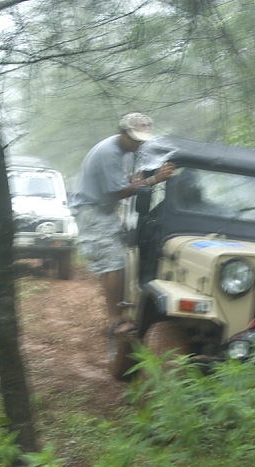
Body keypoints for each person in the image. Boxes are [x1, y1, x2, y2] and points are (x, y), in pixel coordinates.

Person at [70, 112, 175, 341]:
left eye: (142, 139)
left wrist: (142, 176)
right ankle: (114, 320)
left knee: (119, 258)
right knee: (113, 262)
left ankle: (119, 311)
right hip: (93, 210)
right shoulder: (109, 153)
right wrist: (153, 179)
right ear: (123, 133)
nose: (139, 143)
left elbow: (127, 181)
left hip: (103, 209)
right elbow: (117, 191)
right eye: (135, 138)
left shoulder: (127, 151)